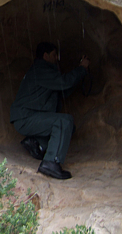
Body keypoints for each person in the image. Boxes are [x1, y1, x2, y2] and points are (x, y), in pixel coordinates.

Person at [10, 42, 90, 180]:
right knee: (64, 121)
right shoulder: (41, 70)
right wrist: (82, 68)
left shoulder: (45, 72)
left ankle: (37, 145)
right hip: (26, 117)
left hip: (29, 116)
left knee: (69, 127)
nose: (56, 59)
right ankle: (51, 162)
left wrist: (81, 74)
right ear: (45, 56)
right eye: (54, 55)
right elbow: (63, 82)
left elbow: (62, 90)